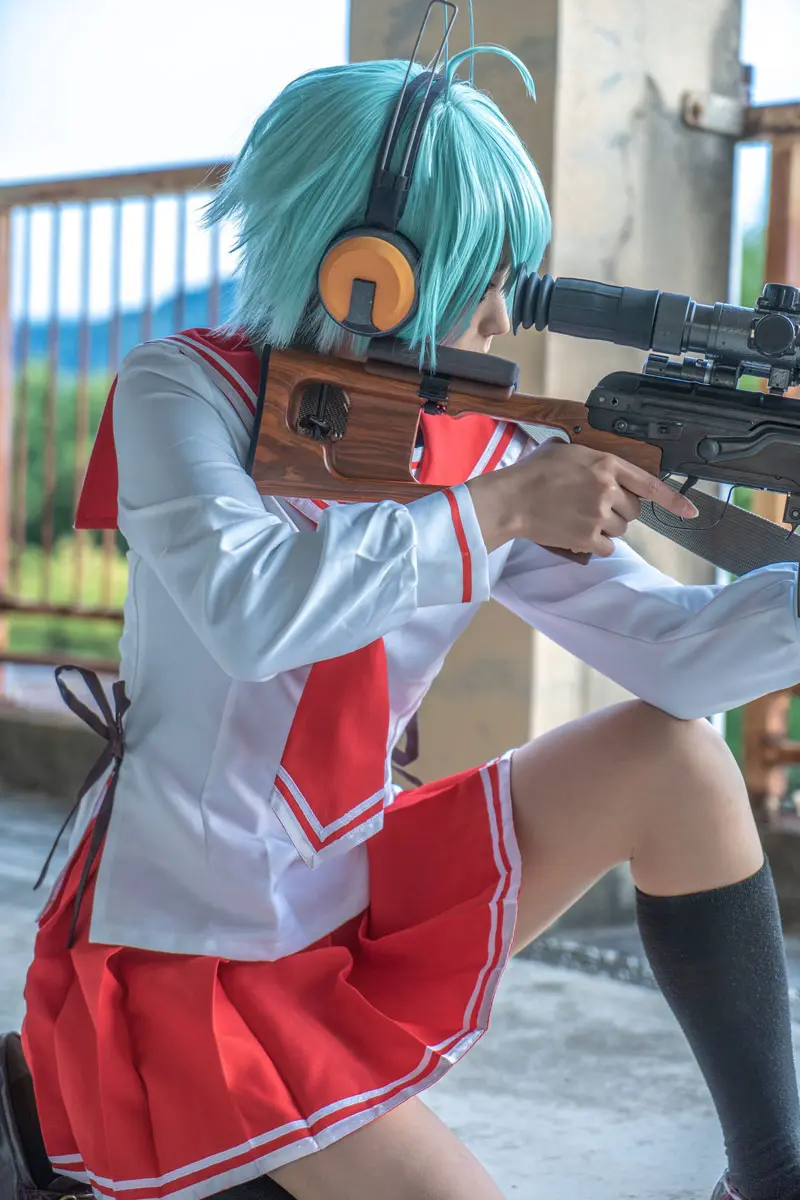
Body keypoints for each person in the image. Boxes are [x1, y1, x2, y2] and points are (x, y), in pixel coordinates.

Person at [5, 41, 800, 1200]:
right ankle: (58, 1116)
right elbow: (248, 609)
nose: (503, 315)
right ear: (362, 276)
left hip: (352, 885)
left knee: (675, 764)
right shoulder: (181, 391)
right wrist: (500, 506)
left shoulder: (479, 447)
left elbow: (676, 658)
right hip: (196, 946)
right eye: (486, 279)